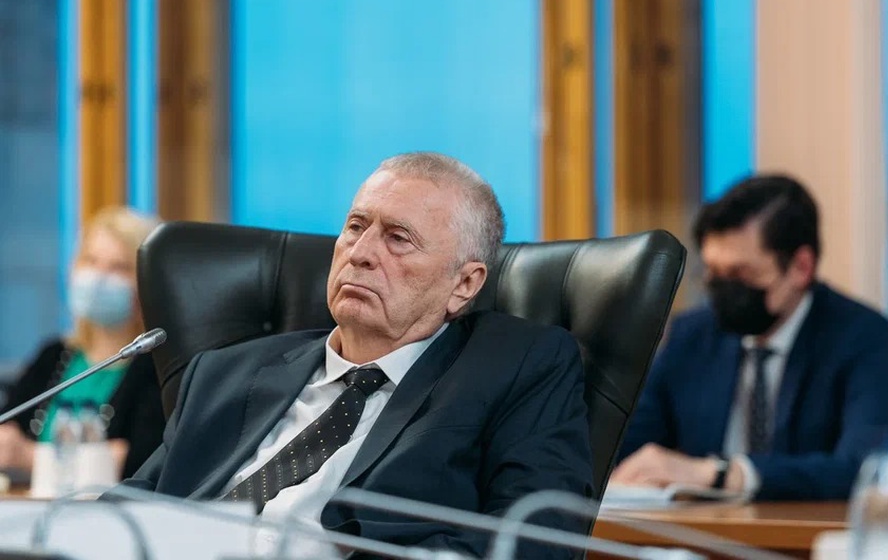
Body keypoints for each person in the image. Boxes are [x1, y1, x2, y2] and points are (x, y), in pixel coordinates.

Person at [113, 153, 594, 559]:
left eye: (398, 238)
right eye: (356, 227)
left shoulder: (514, 367)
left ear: (464, 284)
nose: (360, 253)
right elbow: (133, 505)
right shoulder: (227, 372)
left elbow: (535, 537)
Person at [613, 174, 888, 501]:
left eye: (740, 274)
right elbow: (624, 445)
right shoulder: (692, 335)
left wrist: (726, 474)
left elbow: (866, 468)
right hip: (697, 527)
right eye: (713, 273)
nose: (723, 290)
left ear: (801, 267)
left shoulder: (863, 336)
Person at [0, 206, 166, 479]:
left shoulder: (156, 366)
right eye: (90, 260)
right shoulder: (54, 354)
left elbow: (139, 462)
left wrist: (29, 457)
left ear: (146, 281)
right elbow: (7, 434)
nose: (99, 276)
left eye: (119, 267)